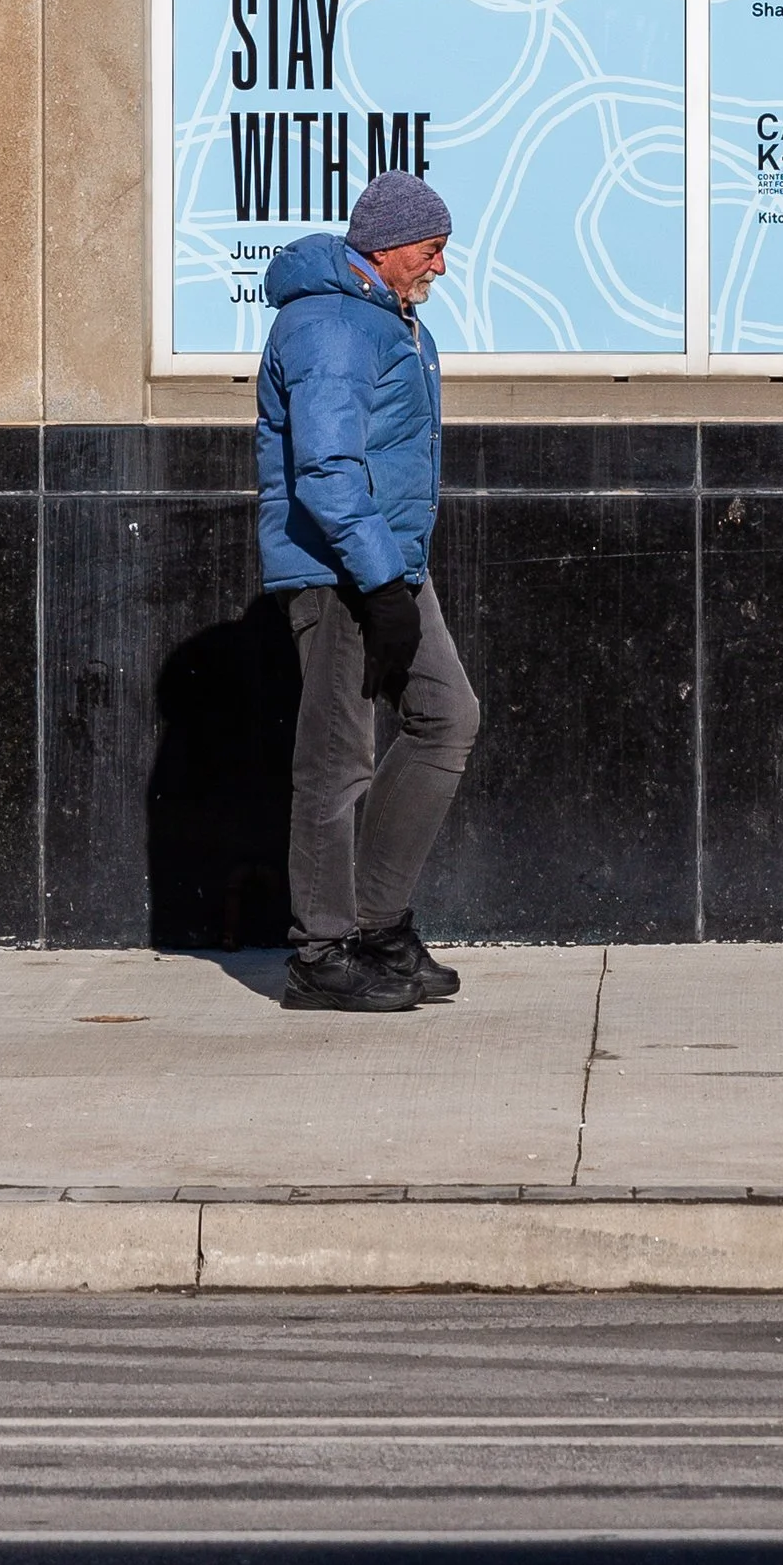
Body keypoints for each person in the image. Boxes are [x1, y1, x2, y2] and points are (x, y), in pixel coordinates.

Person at [256, 169, 479, 1014]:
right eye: (432, 250)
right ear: (386, 248)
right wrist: (381, 581)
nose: (441, 267)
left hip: (387, 566)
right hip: (340, 571)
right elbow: (326, 466)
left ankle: (376, 923)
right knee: (337, 761)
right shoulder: (330, 325)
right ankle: (321, 951)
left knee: (446, 716)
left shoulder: (384, 316)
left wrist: (395, 576)